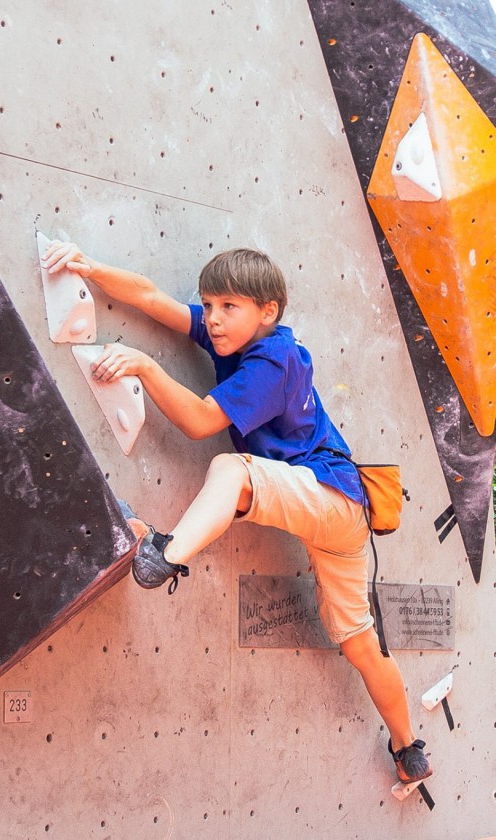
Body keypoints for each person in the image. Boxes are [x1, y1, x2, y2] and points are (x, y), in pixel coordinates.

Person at [41, 242, 432, 786]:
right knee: (360, 642)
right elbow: (154, 299)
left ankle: (163, 553)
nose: (214, 319)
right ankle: (408, 747)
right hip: (338, 514)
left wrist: (145, 366)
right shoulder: (237, 335)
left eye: (228, 306)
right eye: (210, 304)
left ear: (267, 312)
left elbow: (202, 421)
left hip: (329, 494)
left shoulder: (276, 359)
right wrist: (89, 268)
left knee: (231, 470)